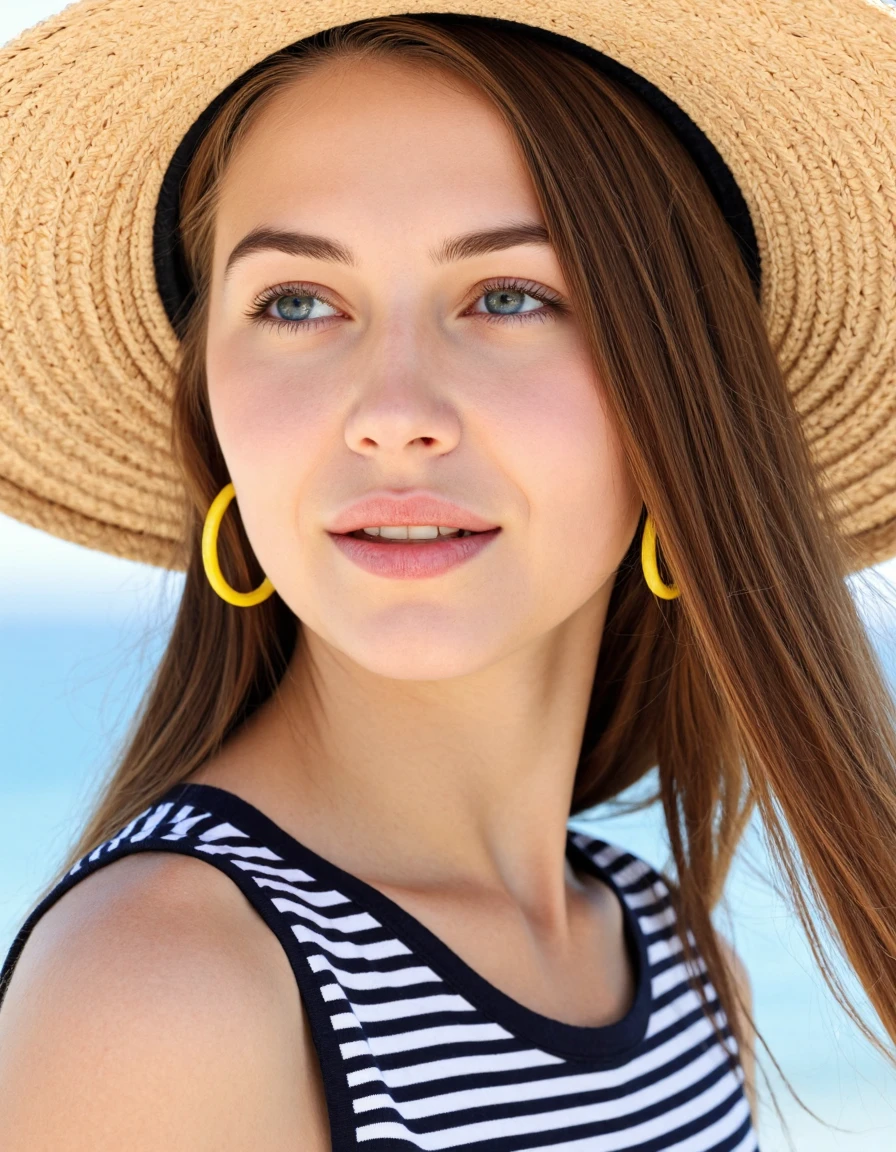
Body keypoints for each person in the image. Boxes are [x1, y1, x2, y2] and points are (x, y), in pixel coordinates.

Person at [1, 3, 895, 1149]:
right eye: (297, 303)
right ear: (209, 418)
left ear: (673, 401)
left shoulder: (668, 951)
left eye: (508, 296)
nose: (392, 417)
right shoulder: (168, 992)